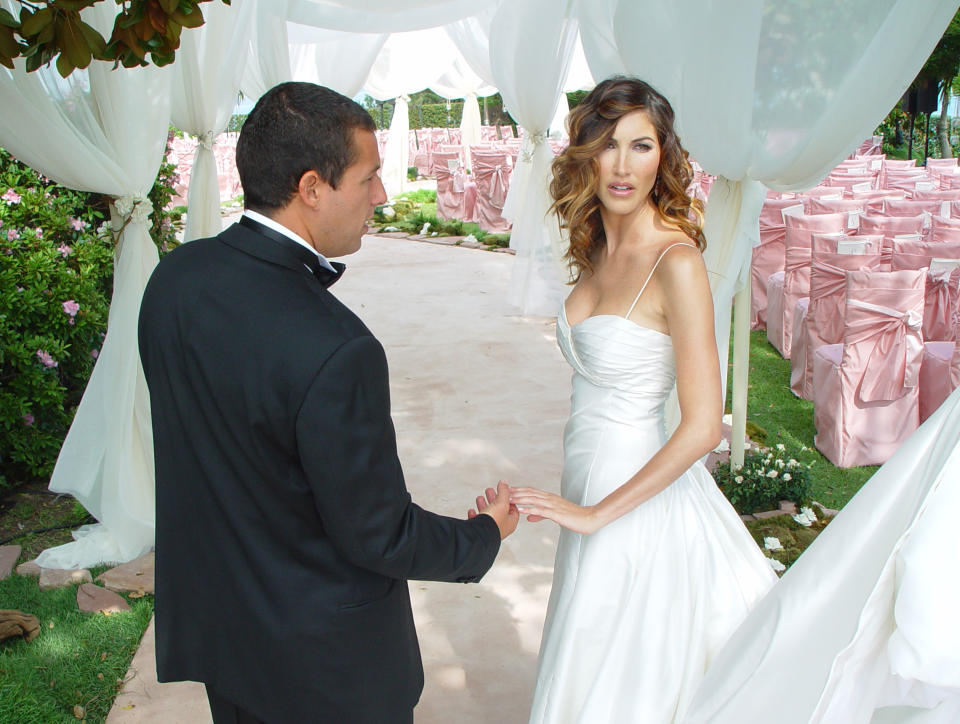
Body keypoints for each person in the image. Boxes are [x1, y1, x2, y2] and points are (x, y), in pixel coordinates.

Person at [137, 82, 518, 724]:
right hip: (322, 670)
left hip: (224, 636)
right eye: (369, 178)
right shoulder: (339, 347)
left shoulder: (174, 277)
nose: (382, 196)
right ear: (312, 187)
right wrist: (483, 536)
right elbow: (378, 533)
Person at [509, 76, 777, 723]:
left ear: (664, 157)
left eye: (642, 145)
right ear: (585, 154)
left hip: (634, 502)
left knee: (623, 683)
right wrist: (587, 506)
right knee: (587, 658)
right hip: (591, 481)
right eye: (607, 144)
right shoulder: (597, 247)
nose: (623, 165)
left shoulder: (676, 262)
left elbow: (704, 426)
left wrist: (600, 513)